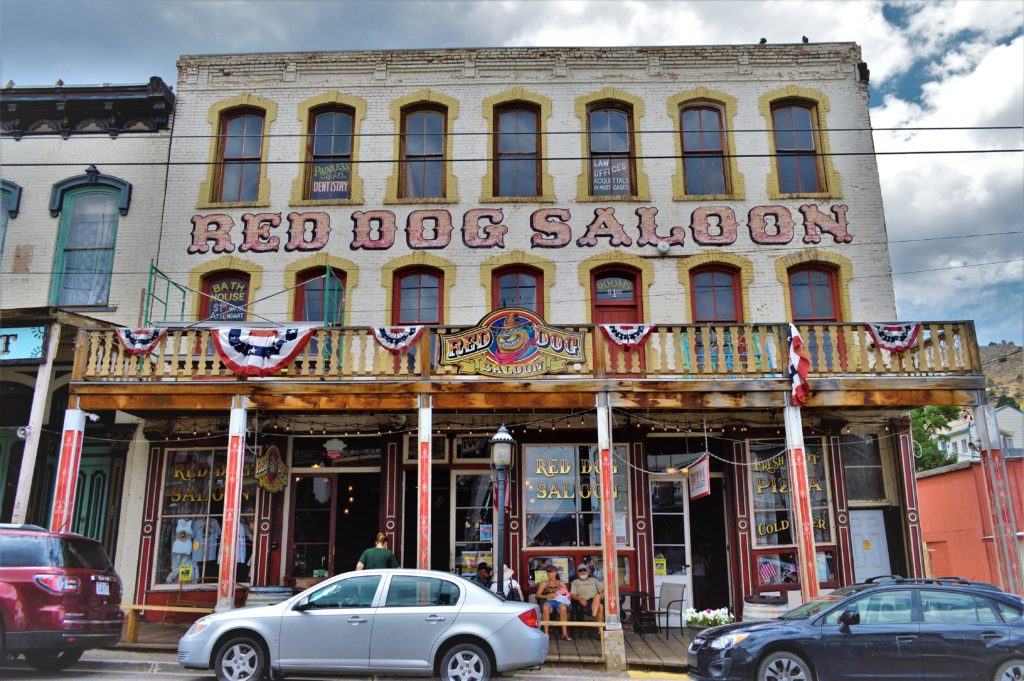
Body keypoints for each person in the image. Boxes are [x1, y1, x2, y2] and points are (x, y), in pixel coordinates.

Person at [536, 564, 572, 640]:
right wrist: (547, 596)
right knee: (545, 607)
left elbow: (567, 594)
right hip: (549, 602)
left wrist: (558, 593)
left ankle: (564, 633)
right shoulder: (545, 583)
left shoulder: (560, 583)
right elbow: (537, 595)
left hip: (559, 602)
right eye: (547, 572)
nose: (548, 574)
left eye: (550, 572)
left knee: (563, 608)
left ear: (555, 573)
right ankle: (546, 633)